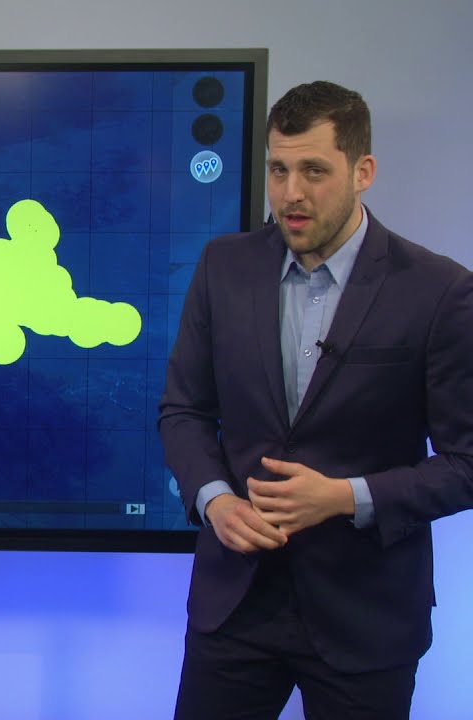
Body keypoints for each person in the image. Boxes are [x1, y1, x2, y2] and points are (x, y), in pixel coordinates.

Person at [160, 81, 473, 718]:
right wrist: (216, 500)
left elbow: (466, 463)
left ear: (363, 172)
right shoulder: (224, 267)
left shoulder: (438, 290)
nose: (291, 193)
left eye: (313, 171)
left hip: (366, 615)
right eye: (278, 170)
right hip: (235, 607)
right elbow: (183, 410)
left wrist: (346, 497)